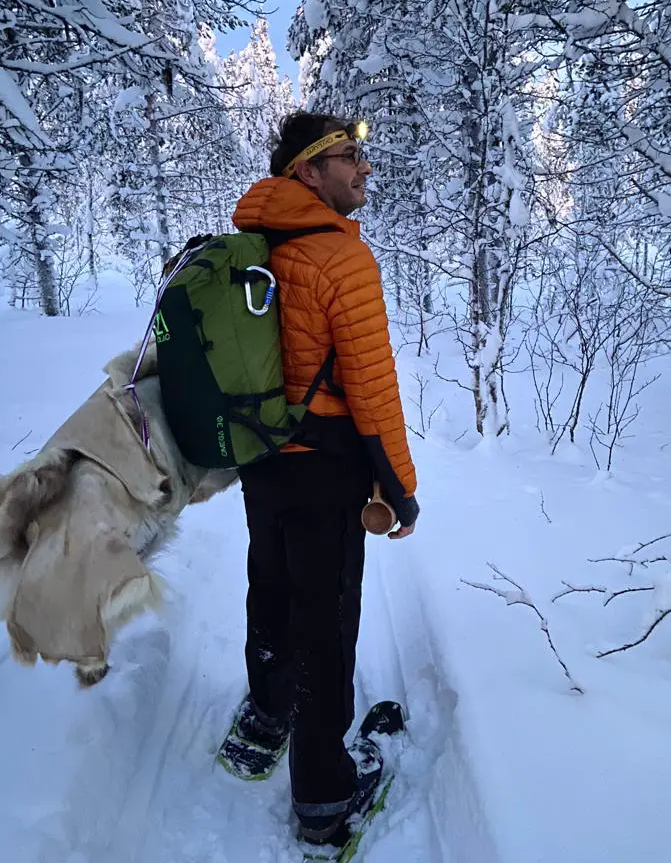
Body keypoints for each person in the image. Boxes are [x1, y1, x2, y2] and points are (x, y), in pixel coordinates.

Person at [230, 111, 419, 843]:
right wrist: (398, 484)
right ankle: (324, 795)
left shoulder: (249, 239)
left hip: (261, 457)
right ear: (308, 172)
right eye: (347, 158)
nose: (363, 168)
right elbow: (372, 384)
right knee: (325, 619)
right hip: (324, 466)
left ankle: (264, 718)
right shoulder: (341, 258)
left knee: (269, 585)